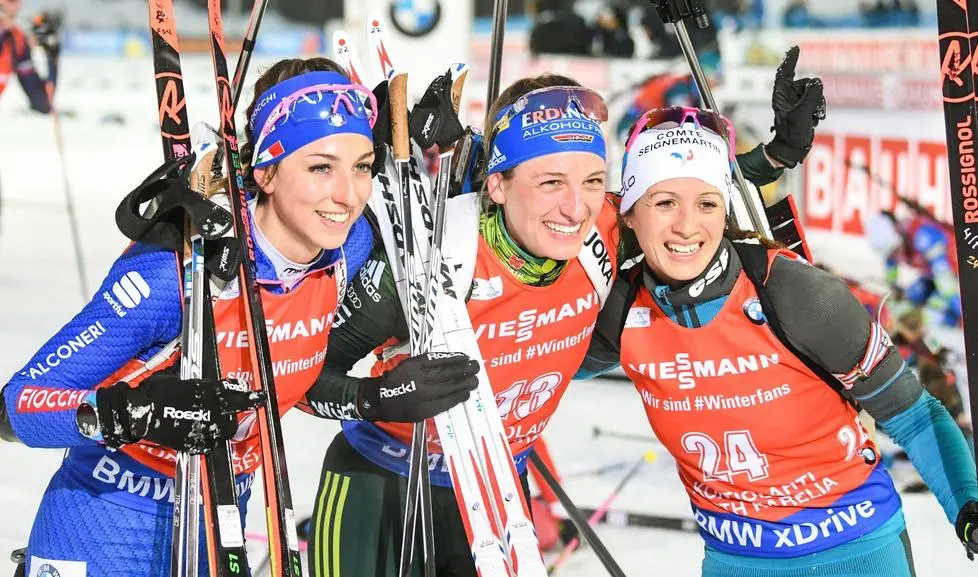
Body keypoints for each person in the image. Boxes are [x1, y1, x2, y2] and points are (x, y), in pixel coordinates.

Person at [299, 66, 805, 575]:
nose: (574, 207)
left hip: (496, 492)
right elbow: (300, 381)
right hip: (381, 485)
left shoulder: (602, 229)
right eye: (550, 183)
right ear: (497, 185)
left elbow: (679, 192)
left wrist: (775, 156)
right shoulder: (434, 257)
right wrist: (376, 397)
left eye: (592, 182)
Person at [0, 57, 413, 576]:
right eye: (319, 168)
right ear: (264, 171)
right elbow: (16, 409)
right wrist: (135, 411)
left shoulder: (348, 248)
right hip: (106, 520)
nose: (348, 195)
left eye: (361, 167)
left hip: (219, 524)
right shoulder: (175, 272)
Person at [580, 105, 978, 576]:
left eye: (707, 204)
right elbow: (532, 370)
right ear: (628, 213)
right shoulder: (621, 310)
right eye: (664, 202)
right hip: (736, 561)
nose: (687, 225)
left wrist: (967, 507)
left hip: (857, 553)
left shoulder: (795, 294)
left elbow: (913, 416)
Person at [865, 208, 961, 328]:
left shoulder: (922, 236)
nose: (897, 257)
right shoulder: (892, 245)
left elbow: (945, 281)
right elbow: (891, 271)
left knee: (930, 315)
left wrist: (962, 313)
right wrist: (893, 292)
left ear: (899, 234)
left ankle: (957, 322)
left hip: (957, 274)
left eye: (896, 251)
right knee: (905, 305)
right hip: (933, 277)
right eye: (891, 254)